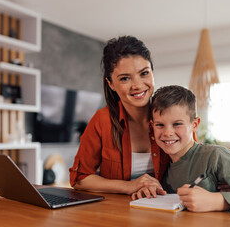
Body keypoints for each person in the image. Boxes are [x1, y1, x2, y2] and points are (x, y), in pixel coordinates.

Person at [132, 85, 230, 213]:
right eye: (160, 125)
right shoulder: (161, 164)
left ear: (194, 125)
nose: (167, 133)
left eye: (177, 124)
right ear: (152, 126)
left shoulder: (214, 156)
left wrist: (216, 201)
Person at [69, 36, 172, 194]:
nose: (137, 85)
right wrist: (128, 186)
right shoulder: (102, 120)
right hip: (117, 213)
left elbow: (195, 162)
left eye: (144, 73)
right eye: (125, 78)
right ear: (111, 84)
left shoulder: (173, 115)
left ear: (152, 73)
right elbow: (80, 179)